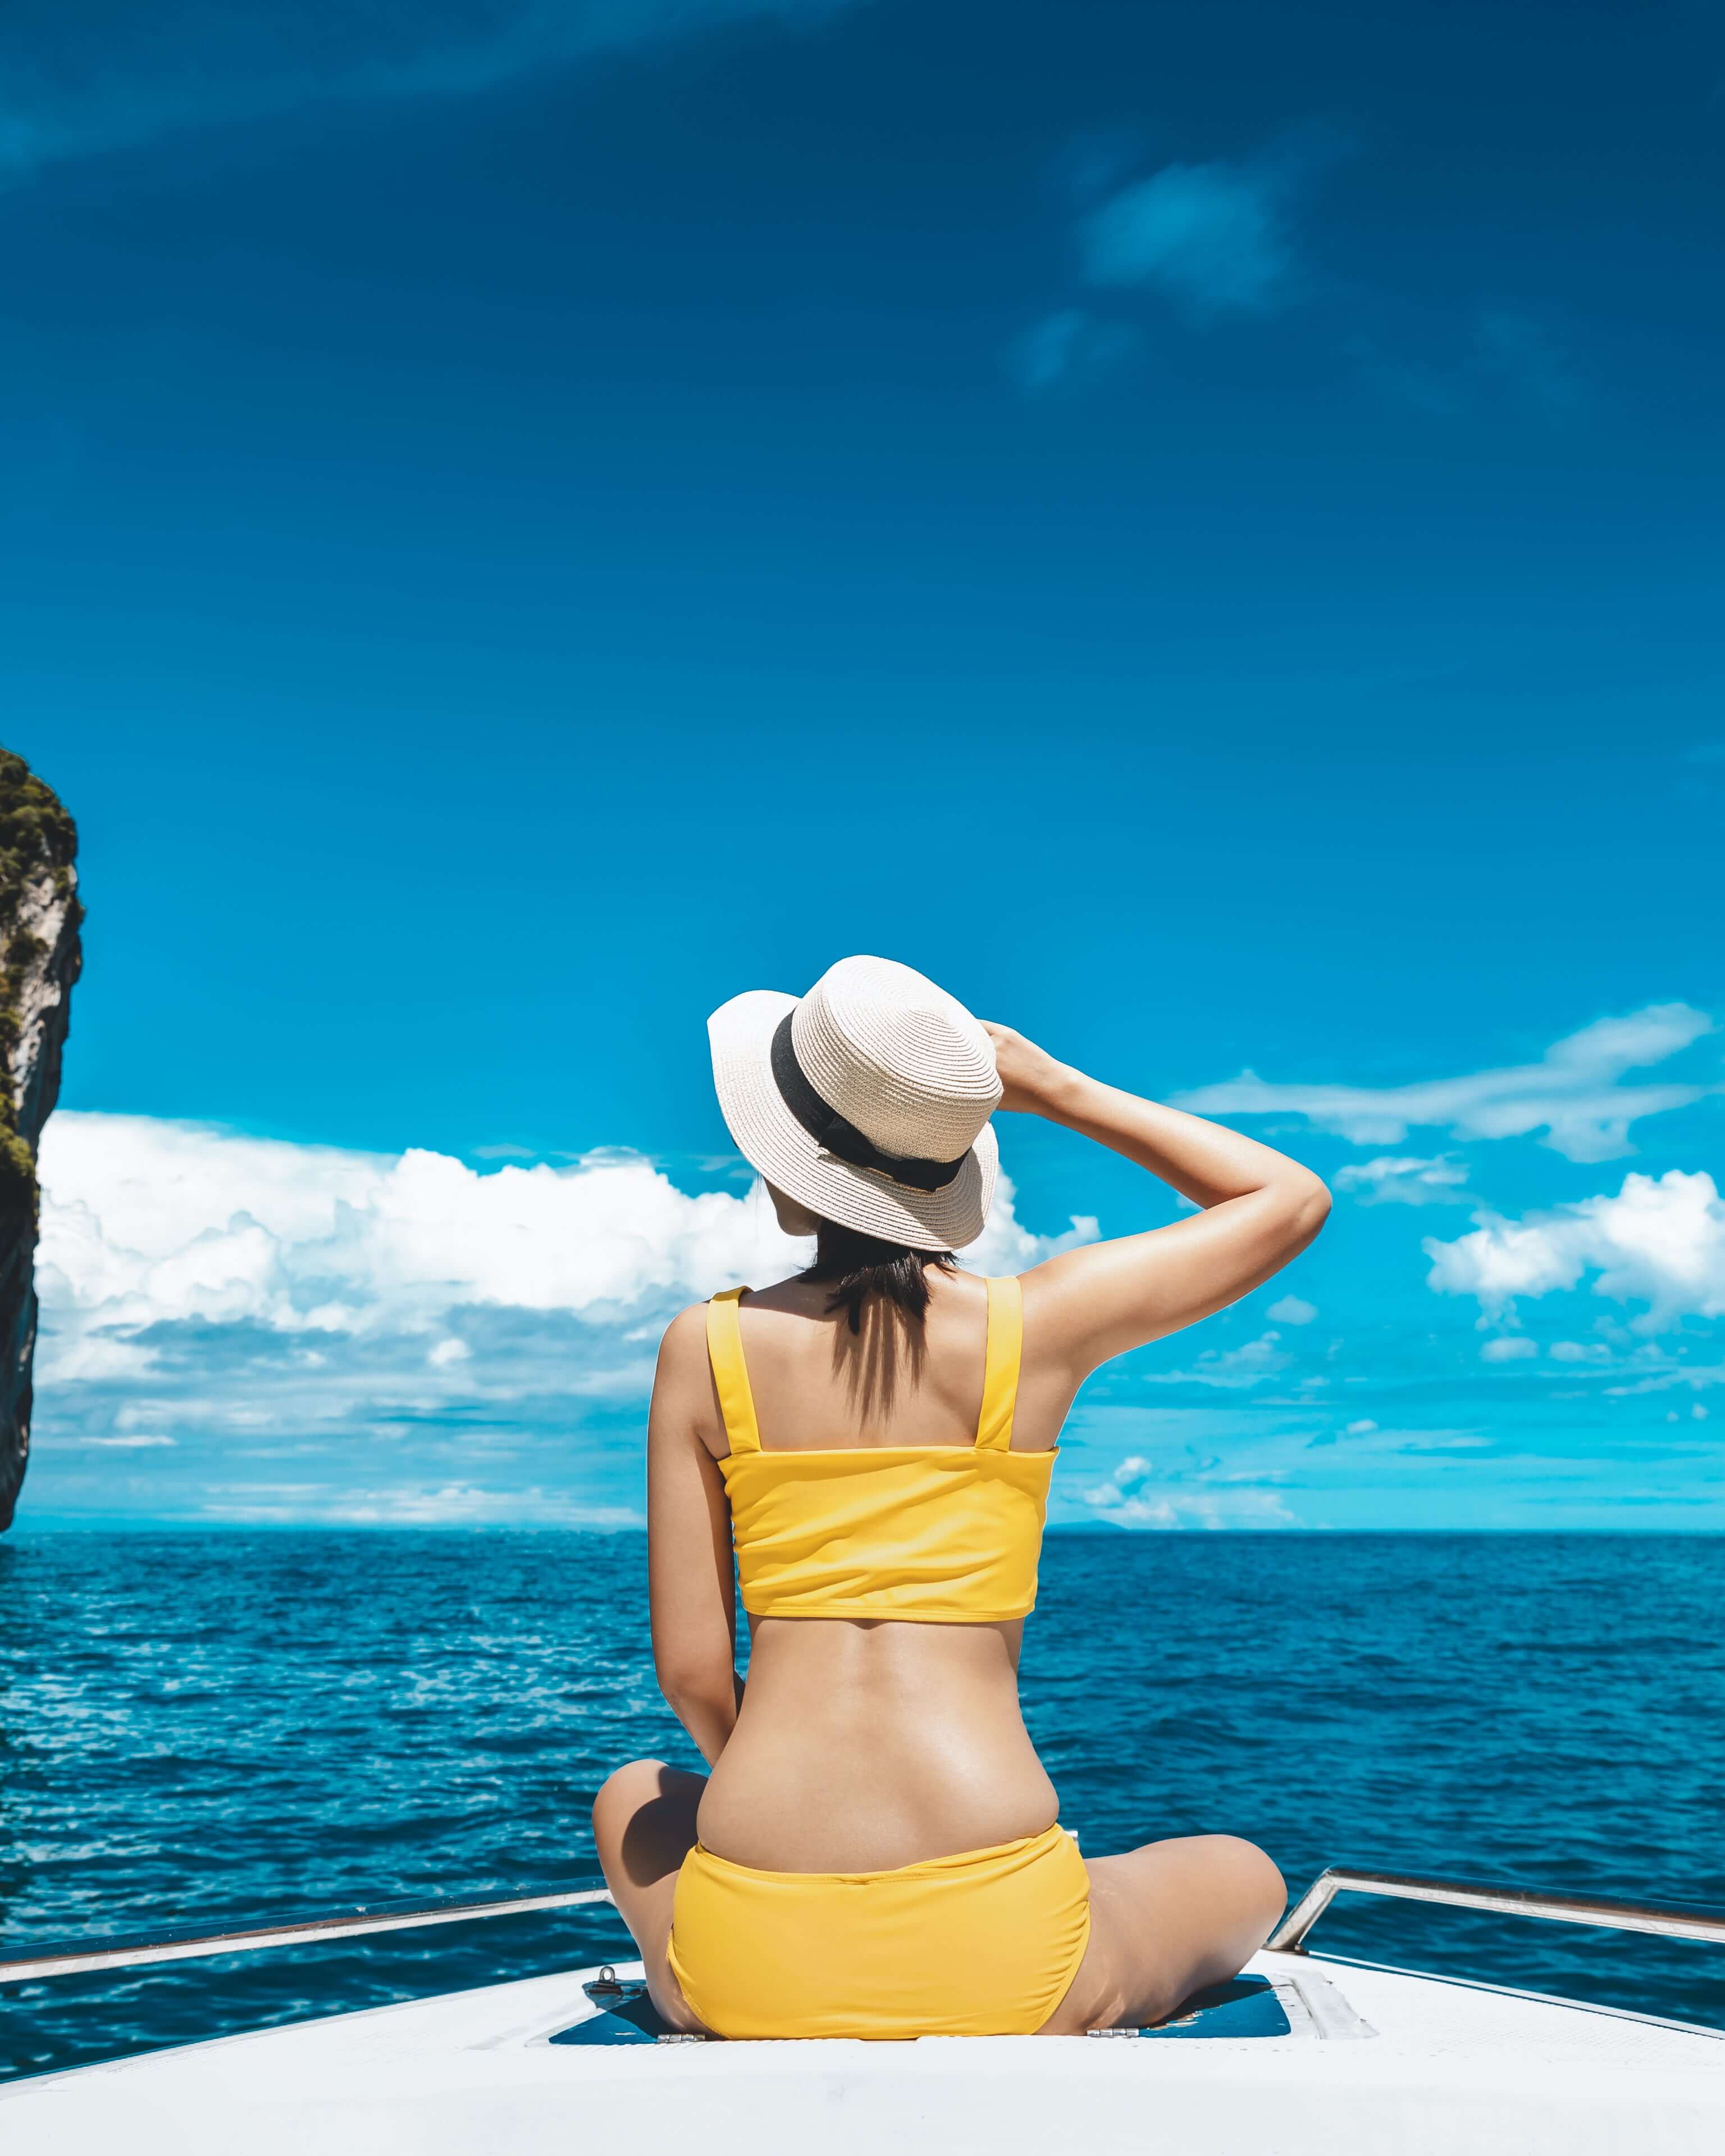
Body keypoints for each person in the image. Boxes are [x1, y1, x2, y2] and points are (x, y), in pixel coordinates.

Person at [594, 955, 1329, 2038]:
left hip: (754, 1957)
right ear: (944, 1175)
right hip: (1004, 1953)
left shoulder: (702, 1347)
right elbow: (1288, 1198)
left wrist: (801, 1823)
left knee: (635, 1795)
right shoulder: (1037, 1327)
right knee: (1243, 1870)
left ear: (790, 1172)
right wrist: (1051, 1086)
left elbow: (693, 1671)